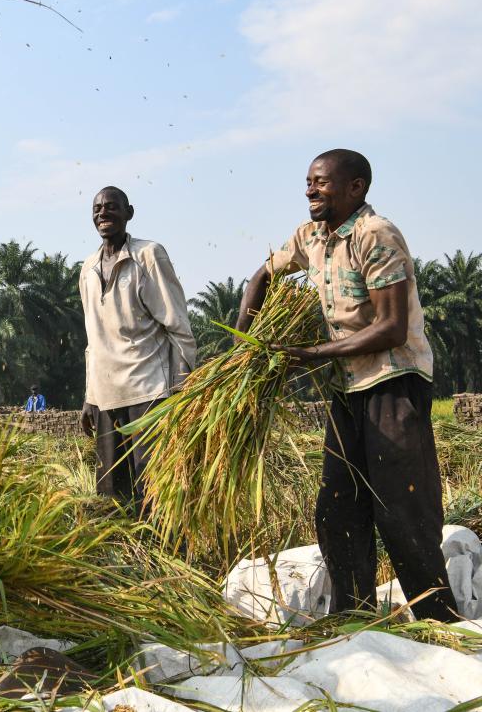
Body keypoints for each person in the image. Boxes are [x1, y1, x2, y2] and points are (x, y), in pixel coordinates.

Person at [235, 149, 458, 621]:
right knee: (337, 508)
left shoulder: (375, 235)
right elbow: (263, 274)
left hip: (393, 383)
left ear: (356, 187)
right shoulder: (311, 236)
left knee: (402, 507)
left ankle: (438, 620)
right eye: (308, 182)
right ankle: (352, 616)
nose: (310, 190)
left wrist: (313, 354)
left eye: (321, 182)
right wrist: (244, 343)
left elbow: (392, 327)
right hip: (346, 387)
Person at [79, 186, 196, 514]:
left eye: (112, 207)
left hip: (149, 393)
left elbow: (178, 325)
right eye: (97, 208)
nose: (103, 213)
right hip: (106, 397)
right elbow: (93, 340)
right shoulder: (88, 268)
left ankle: (163, 545)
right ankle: (124, 549)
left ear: (129, 213)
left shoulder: (148, 255)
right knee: (111, 497)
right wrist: (89, 396)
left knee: (153, 493)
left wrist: (182, 390)